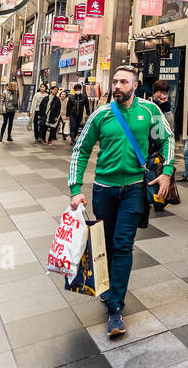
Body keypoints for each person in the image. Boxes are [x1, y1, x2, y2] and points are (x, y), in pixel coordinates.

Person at [69, 65, 174, 339]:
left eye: (123, 82)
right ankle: (110, 287)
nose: (117, 86)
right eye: (115, 81)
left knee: (123, 244)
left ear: (135, 85)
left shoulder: (150, 111)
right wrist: (75, 188)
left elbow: (167, 140)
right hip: (104, 189)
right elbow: (81, 150)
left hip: (134, 190)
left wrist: (166, 172)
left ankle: (116, 307)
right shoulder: (101, 115)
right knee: (106, 246)